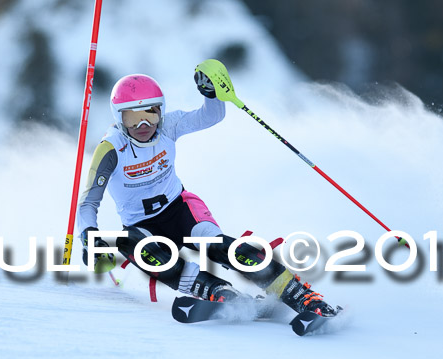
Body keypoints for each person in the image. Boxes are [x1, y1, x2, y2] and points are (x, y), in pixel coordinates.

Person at [76, 63, 336, 317]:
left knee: (219, 246)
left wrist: (211, 95)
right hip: (141, 224)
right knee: (131, 243)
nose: (143, 125)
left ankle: (298, 293)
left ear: (161, 111)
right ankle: (216, 290)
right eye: (133, 118)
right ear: (119, 118)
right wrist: (90, 235)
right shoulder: (110, 149)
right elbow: (88, 203)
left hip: (180, 209)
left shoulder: (169, 126)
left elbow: (211, 116)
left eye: (150, 114)